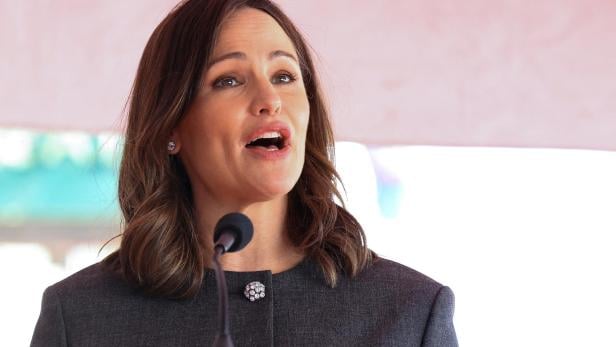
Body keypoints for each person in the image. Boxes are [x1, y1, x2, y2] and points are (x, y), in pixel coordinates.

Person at [31, 0, 458, 345]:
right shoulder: (80, 318)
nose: (270, 99)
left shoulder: (411, 312)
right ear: (171, 126)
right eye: (229, 80)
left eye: (285, 75)